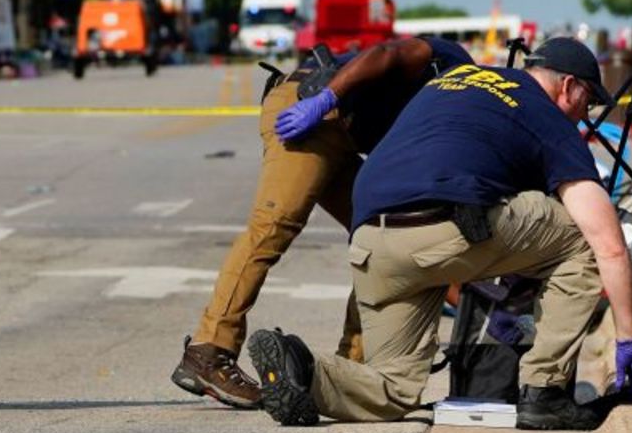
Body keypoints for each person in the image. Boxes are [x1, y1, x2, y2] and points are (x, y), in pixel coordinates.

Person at [246, 36, 632, 430]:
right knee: (583, 237)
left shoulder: (449, 82)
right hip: (442, 225)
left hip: (371, 240)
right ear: (569, 86)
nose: (584, 114)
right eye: (587, 101)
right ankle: (545, 393)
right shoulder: (546, 115)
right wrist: (628, 339)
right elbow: (609, 245)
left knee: (393, 389)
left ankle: (302, 368)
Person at [171, 36, 474, 408]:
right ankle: (209, 349)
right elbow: (385, 53)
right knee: (274, 226)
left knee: (388, 237)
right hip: (309, 110)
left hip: (343, 137)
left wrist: (479, 302)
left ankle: (351, 369)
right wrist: (325, 100)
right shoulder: (456, 65)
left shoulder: (460, 126)